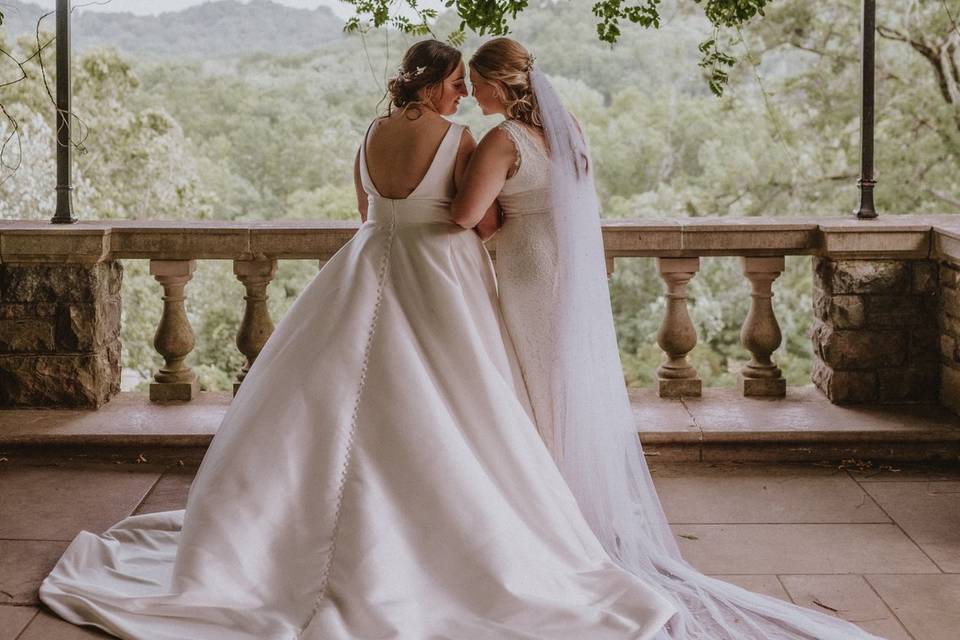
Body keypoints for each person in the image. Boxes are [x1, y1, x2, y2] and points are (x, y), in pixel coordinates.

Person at [38, 39, 676, 640]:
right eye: (455, 83)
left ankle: (285, 531)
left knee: (332, 395)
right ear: (431, 86)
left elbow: (366, 213)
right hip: (439, 271)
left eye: (467, 84)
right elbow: (477, 220)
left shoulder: (370, 135)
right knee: (453, 398)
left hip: (367, 263)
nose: (460, 94)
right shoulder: (457, 139)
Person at [452, 36, 887, 640]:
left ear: (501, 84)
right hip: (567, 275)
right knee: (560, 384)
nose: (472, 94)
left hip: (527, 270)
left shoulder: (502, 140)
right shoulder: (567, 126)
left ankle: (549, 518)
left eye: (477, 83)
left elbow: (468, 214)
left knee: (532, 387)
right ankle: (574, 507)